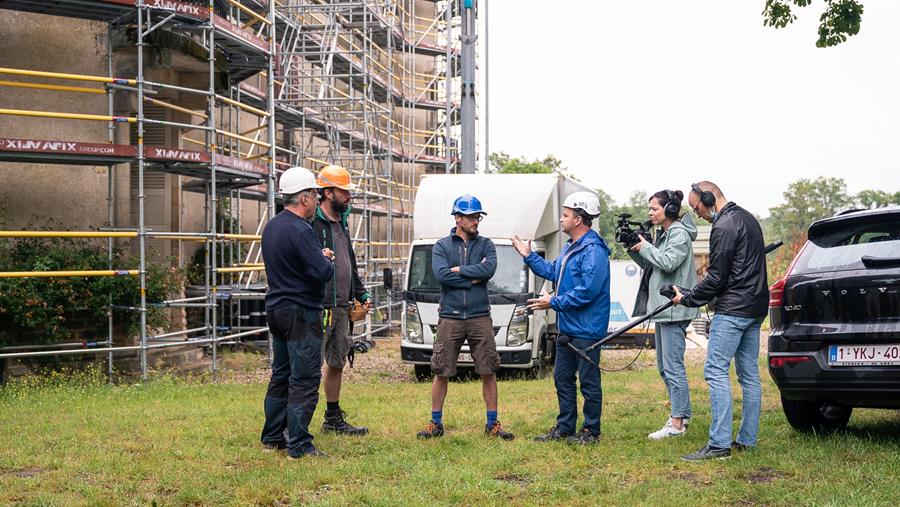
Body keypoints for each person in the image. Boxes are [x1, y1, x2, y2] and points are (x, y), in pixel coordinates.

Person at [672, 181, 768, 461]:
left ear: (708, 198)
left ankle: (719, 445)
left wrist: (687, 298)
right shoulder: (749, 218)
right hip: (755, 308)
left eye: (696, 207)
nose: (697, 213)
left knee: (715, 370)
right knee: (749, 375)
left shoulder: (724, 226)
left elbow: (716, 277)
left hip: (734, 310)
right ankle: (746, 440)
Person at [512, 191, 611, 445]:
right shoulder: (570, 247)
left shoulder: (593, 251)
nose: (561, 220)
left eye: (565, 215)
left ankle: (591, 432)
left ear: (579, 219)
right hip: (569, 327)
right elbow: (552, 271)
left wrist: (553, 302)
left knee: (589, 383)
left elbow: (588, 290)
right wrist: (528, 255)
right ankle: (565, 427)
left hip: (587, 329)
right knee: (562, 378)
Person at [416, 194, 514, 440]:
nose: (476, 221)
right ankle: (435, 423)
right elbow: (441, 275)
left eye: (477, 217)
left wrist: (460, 271)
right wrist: (474, 277)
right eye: (471, 216)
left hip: (480, 316)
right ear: (457, 218)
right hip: (450, 316)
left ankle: (492, 423)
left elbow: (489, 269)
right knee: (441, 370)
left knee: (488, 370)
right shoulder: (441, 246)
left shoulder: (486, 245)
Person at [259, 166, 335, 459]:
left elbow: (292, 264)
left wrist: (316, 257)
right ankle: (299, 445)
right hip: (301, 312)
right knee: (304, 378)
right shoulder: (302, 229)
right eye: (315, 195)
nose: (317, 200)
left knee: (280, 374)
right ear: (303, 198)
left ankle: (272, 436)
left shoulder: (273, 226)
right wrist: (326, 259)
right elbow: (320, 272)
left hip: (277, 308)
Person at [627, 190, 700, 440]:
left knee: (673, 367)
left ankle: (677, 423)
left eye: (654, 208)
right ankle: (681, 415)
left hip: (674, 310)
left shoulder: (678, 233)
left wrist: (647, 246)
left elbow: (668, 263)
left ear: (669, 209)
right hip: (662, 309)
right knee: (664, 367)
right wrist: (636, 248)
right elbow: (653, 266)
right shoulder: (665, 234)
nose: (650, 213)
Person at [311, 165, 371, 436]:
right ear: (327, 192)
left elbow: (350, 263)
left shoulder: (341, 222)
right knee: (309, 365)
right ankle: (294, 423)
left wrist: (361, 293)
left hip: (342, 306)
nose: (348, 197)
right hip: (318, 306)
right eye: (343, 191)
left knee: (336, 362)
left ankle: (332, 418)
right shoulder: (312, 223)